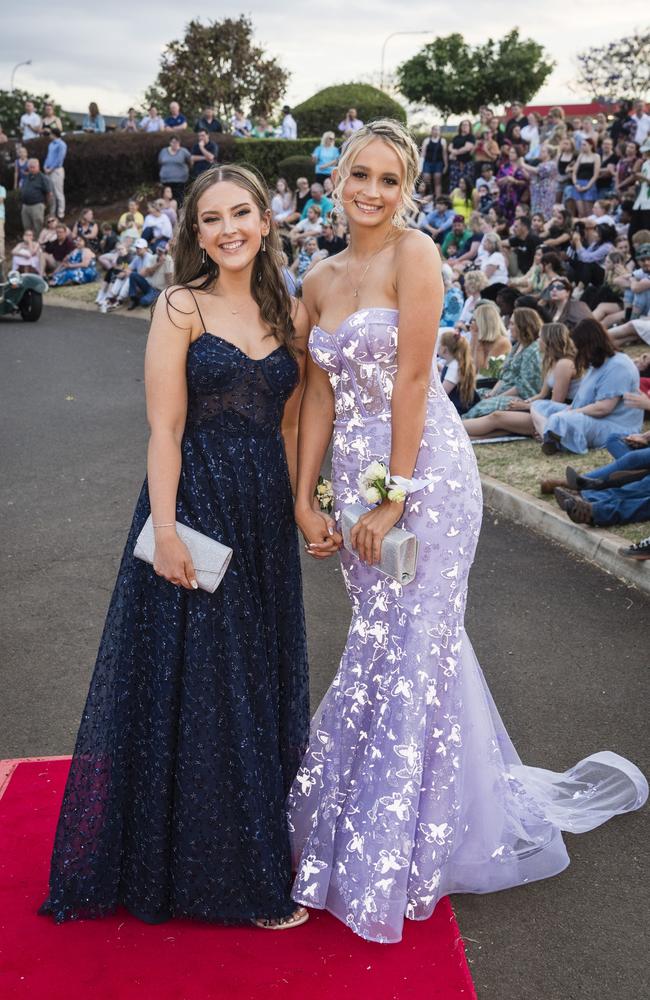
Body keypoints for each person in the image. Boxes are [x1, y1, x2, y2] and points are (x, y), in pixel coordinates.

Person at [285, 117, 647, 945]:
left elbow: (415, 377)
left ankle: (404, 848)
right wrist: (306, 497)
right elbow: (317, 397)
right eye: (360, 175)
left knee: (414, 643)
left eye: (389, 179)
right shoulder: (316, 279)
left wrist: (395, 498)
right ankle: (418, 816)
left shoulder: (416, 255)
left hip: (427, 479)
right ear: (336, 179)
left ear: (406, 187)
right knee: (384, 644)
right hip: (351, 477)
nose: (372, 191)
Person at [39, 163, 311, 930]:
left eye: (241, 214)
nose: (228, 229)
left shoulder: (288, 312)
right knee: (205, 685)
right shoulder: (179, 306)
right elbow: (163, 428)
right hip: (194, 508)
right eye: (211, 218)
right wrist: (162, 531)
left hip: (261, 517)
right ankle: (240, 876)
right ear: (195, 232)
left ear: (265, 222)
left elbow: (289, 425)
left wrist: (301, 505)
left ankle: (238, 847)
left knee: (254, 679)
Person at [533, 318, 643, 454]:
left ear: (589, 345)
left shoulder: (618, 366)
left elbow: (603, 408)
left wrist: (570, 412)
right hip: (588, 417)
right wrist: (570, 409)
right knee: (539, 406)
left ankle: (552, 435)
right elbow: (581, 402)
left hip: (613, 425)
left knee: (560, 419)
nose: (577, 353)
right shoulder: (597, 364)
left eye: (579, 348)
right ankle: (550, 434)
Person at [463, 322, 581, 438]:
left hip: (558, 415)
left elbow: (556, 404)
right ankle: (466, 434)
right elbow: (542, 394)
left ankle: (455, 428)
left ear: (549, 340)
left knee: (497, 417)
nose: (538, 340)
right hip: (544, 411)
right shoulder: (551, 361)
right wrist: (524, 403)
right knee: (501, 421)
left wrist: (525, 407)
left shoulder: (564, 364)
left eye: (540, 337)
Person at [462, 308, 542, 419]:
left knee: (482, 406)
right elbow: (504, 376)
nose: (509, 327)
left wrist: (496, 397)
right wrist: (493, 394)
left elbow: (523, 386)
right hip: (501, 389)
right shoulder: (518, 345)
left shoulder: (532, 350)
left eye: (513, 324)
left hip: (519, 397)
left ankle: (462, 425)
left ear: (523, 326)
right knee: (468, 394)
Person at [438, 330, 479, 415]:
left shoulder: (454, 367)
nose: (437, 347)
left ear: (445, 349)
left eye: (439, 344)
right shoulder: (453, 363)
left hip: (456, 410)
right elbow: (447, 373)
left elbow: (442, 393)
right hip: (454, 406)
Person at [126, 242, 174, 308]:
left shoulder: (169, 260)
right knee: (133, 274)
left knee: (143, 302)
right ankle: (133, 298)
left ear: (166, 252)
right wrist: (158, 264)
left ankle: (144, 298)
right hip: (148, 285)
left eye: (162, 251)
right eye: (158, 250)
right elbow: (148, 273)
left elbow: (169, 280)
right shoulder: (153, 257)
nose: (159, 252)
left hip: (158, 290)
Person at [469, 299, 512, 370]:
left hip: (489, 380)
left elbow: (484, 371)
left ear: (483, 323)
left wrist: (478, 344)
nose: (472, 323)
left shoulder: (502, 342)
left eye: (475, 320)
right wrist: (475, 338)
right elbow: (469, 364)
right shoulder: (478, 338)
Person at [519, 145, 558, 218]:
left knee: (543, 216)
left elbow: (537, 170)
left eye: (543, 151)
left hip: (545, 196)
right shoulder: (540, 164)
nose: (540, 153)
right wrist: (521, 167)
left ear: (549, 154)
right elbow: (530, 177)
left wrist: (523, 164)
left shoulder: (551, 164)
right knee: (535, 216)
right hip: (536, 196)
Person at [567, 138, 601, 217]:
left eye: (584, 145)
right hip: (579, 183)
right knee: (581, 211)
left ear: (591, 146)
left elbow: (595, 174)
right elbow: (574, 173)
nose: (582, 147)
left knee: (588, 211)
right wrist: (576, 184)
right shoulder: (580, 156)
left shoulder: (596, 156)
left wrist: (587, 186)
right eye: (582, 145)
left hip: (589, 183)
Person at [20, 159, 52, 236]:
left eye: (33, 167)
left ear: (38, 166)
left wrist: (45, 205)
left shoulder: (43, 178)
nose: (31, 169)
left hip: (37, 205)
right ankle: (29, 244)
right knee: (27, 227)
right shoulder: (27, 176)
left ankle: (39, 244)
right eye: (30, 167)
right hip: (25, 206)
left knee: (38, 227)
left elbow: (49, 193)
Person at [496, 147, 528, 224]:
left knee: (516, 219)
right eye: (510, 152)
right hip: (504, 197)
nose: (511, 154)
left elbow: (526, 182)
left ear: (518, 154)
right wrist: (506, 179)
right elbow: (497, 181)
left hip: (517, 198)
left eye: (513, 152)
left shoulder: (523, 167)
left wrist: (515, 181)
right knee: (502, 219)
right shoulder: (504, 166)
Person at [158, 136, 192, 208]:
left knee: (179, 200)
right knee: (166, 198)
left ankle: (179, 216)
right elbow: (160, 162)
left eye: (177, 142)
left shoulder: (184, 151)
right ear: (170, 143)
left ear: (179, 143)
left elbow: (190, 162)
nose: (175, 144)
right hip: (166, 181)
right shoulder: (163, 151)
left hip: (180, 181)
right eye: (173, 142)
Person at [43, 128, 67, 220]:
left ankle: (61, 214)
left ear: (54, 134)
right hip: (48, 170)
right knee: (51, 193)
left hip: (56, 171)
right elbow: (48, 156)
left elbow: (60, 158)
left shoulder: (62, 144)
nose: (49, 136)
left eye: (50, 134)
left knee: (58, 193)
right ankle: (52, 213)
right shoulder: (50, 144)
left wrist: (51, 168)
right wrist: (45, 166)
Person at [420, 125, 447, 198]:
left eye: (437, 130)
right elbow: (423, 154)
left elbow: (444, 154)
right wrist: (420, 166)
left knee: (437, 181)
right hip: (427, 162)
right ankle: (424, 199)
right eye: (434, 130)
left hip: (438, 163)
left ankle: (438, 200)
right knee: (426, 180)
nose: (436, 131)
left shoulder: (443, 141)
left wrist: (446, 165)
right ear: (431, 131)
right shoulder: (426, 140)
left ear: (440, 131)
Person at [447, 119, 476, 190]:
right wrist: (453, 151)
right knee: (454, 181)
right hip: (455, 164)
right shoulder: (456, 137)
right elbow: (450, 147)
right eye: (463, 125)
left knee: (466, 182)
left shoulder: (471, 137)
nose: (464, 126)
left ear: (469, 127)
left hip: (467, 164)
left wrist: (454, 153)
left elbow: (467, 148)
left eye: (466, 125)